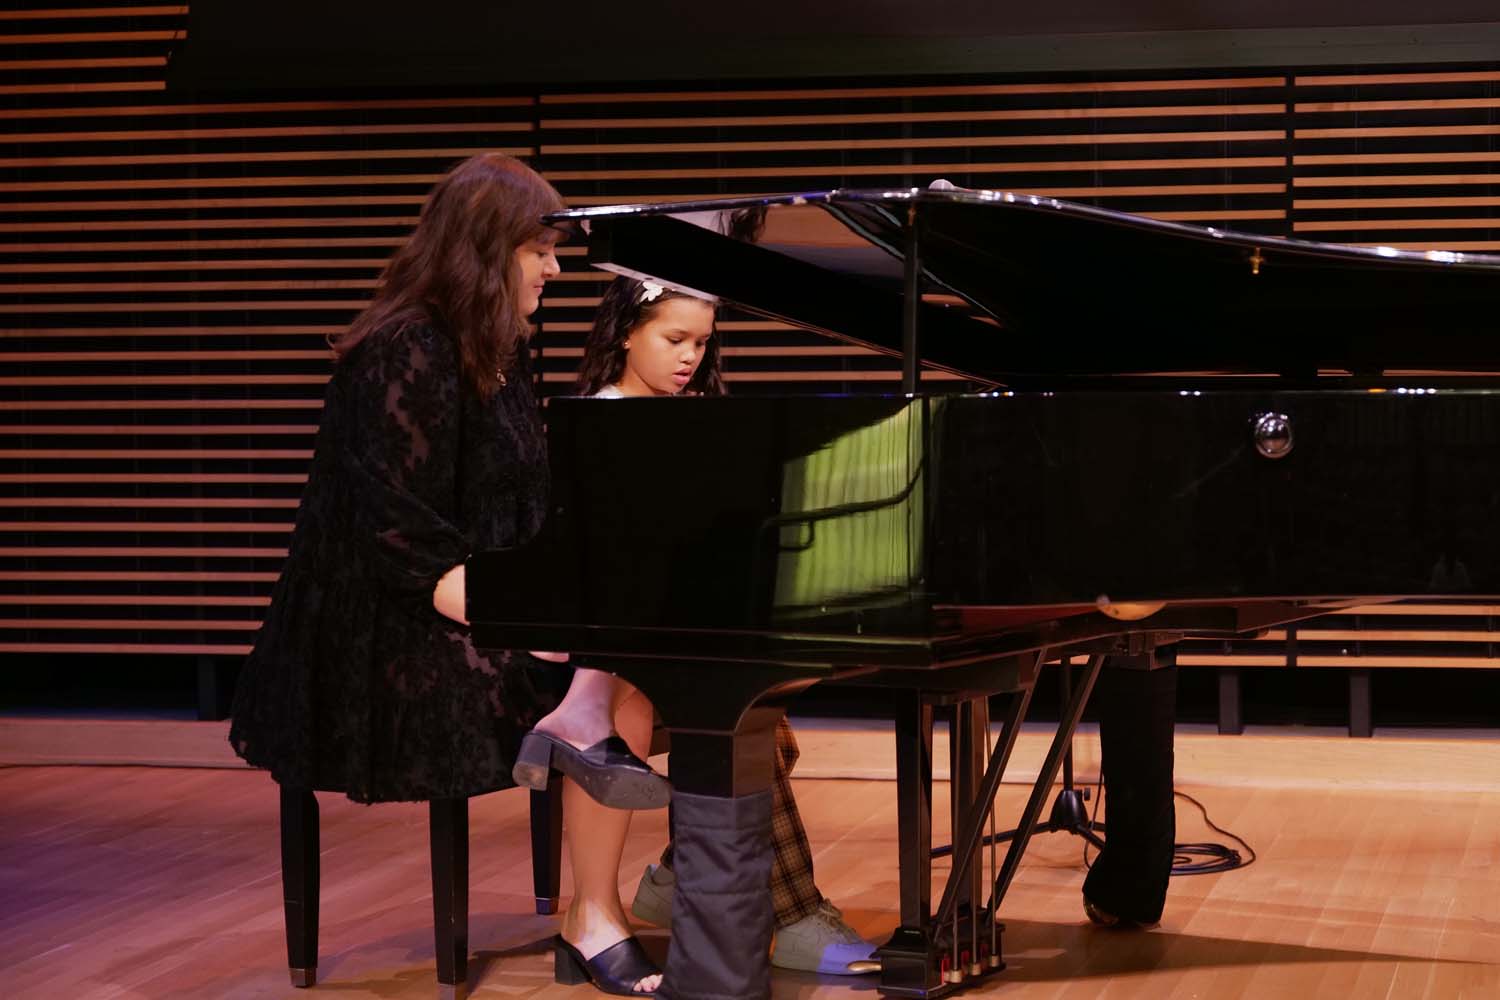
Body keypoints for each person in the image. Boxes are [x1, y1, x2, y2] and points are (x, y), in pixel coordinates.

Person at [228, 153, 663, 995]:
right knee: (608, 683)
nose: (554, 266)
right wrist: (527, 621)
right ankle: (596, 905)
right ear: (487, 249)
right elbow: (398, 531)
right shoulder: (405, 350)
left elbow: (523, 501)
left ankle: (593, 908)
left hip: (461, 594)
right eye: (539, 249)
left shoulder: (492, 348)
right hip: (385, 629)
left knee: (627, 670)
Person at [570, 274, 880, 975]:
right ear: (626, 332)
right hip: (606, 639)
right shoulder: (602, 417)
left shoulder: (690, 414)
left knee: (770, 721)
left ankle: (681, 880)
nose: (690, 358)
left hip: (679, 623)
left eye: (702, 343)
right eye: (674, 339)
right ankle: (793, 912)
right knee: (751, 728)